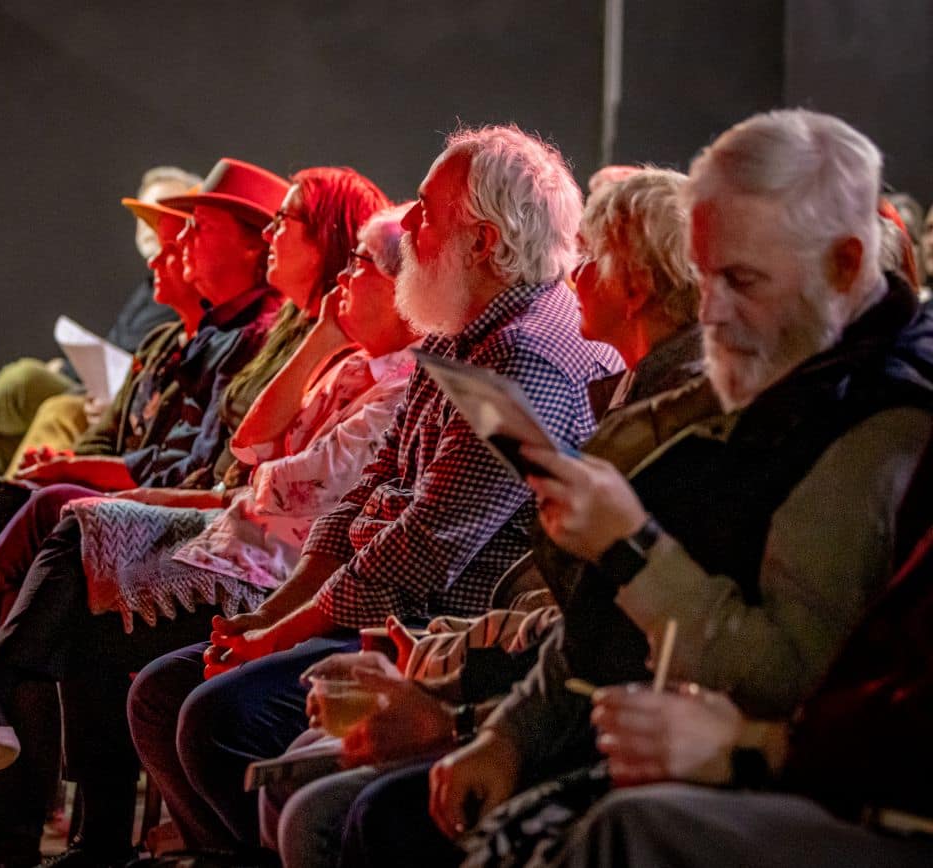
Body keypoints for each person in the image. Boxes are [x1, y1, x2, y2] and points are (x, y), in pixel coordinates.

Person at [339, 108, 933, 868]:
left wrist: (628, 546)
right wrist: (506, 734)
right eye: (705, 275)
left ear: (845, 267)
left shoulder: (879, 422)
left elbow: (789, 677)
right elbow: (599, 622)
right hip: (630, 724)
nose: (708, 310)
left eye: (741, 279)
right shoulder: (783, 369)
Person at [0, 172, 393, 868]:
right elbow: (248, 453)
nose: (271, 238)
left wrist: (180, 489)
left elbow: (269, 482)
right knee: (44, 538)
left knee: (65, 539)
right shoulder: (289, 342)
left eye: (285, 225)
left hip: (269, 566)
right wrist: (316, 343)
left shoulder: (364, 364)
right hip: (245, 536)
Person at [127, 124, 623, 854]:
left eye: (426, 210)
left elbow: (423, 548)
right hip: (381, 608)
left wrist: (280, 633)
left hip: (434, 631)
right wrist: (274, 614)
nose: (407, 224)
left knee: (216, 718)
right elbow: (368, 489)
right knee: (161, 692)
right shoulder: (457, 331)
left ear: (483, 242)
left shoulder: (526, 358)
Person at [262, 167, 711, 868]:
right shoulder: (617, 386)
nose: (572, 275)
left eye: (591, 259)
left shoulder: (644, 405)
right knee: (288, 771)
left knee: (316, 800)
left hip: (562, 695)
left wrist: (461, 708)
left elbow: (611, 630)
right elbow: (370, 486)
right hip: (489, 649)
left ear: (636, 288)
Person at [544, 514, 933, 868]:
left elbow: (800, 679)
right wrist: (512, 732)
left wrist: (754, 745)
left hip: (851, 785)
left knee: (627, 828)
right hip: (811, 758)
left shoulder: (864, 476)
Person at [0, 165, 198, 477]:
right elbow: (119, 354)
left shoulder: (188, 295)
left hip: (129, 406)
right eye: (144, 216)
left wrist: (120, 407)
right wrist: (70, 371)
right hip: (112, 396)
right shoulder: (150, 288)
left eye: (163, 215)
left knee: (30, 385)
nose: (150, 227)